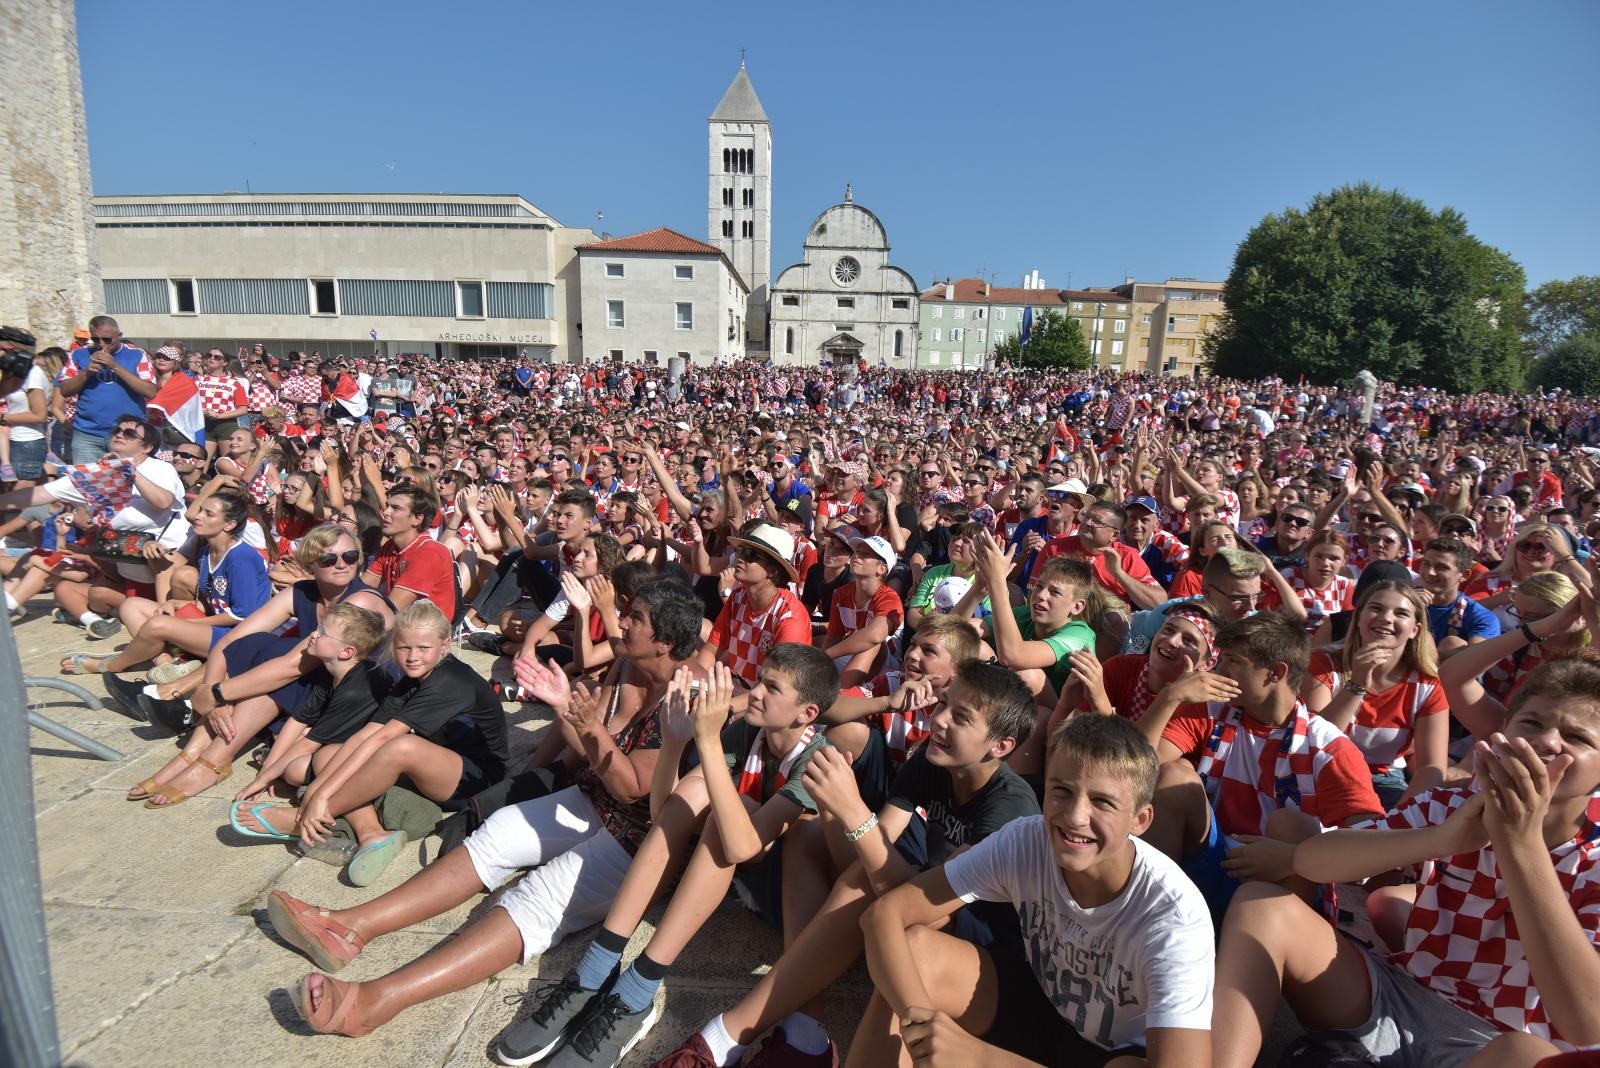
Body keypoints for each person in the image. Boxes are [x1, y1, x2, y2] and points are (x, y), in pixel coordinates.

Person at [264, 580, 705, 1036]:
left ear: (665, 642)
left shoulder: (689, 694)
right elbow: (595, 756)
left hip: (640, 840)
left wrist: (587, 723)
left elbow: (632, 787)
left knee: (536, 900)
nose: (623, 622)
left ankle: (376, 1001)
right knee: (497, 831)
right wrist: (563, 709)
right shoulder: (632, 667)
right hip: (593, 799)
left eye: (636, 619)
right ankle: (351, 927)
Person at [1211, 657, 1600, 1068]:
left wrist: (1521, 845)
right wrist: (1440, 838)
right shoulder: (1456, 805)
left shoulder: (1592, 860)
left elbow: (1586, 1023)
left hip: (1495, 1039)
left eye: (1577, 737)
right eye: (1533, 723)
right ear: (1505, 733)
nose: (1548, 742)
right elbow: (1312, 861)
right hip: (1401, 995)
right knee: (1263, 905)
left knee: (1526, 1055)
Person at [650, 659, 1041, 1067]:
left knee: (865, 875)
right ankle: (798, 1034)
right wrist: (839, 816)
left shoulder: (1008, 807)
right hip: (933, 906)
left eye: (959, 717)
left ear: (1001, 746)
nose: (938, 720)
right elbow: (878, 851)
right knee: (824, 843)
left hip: (989, 956)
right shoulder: (931, 761)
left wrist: (854, 813)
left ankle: (722, 1040)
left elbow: (916, 896)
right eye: (942, 705)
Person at [506, 646, 839, 1067]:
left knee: (730, 813)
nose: (754, 692)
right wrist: (675, 744)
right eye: (759, 680)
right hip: (729, 871)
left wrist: (708, 742)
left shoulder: (814, 758)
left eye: (771, 688)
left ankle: (637, 992)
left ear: (806, 713)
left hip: (781, 896)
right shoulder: (752, 732)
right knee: (705, 794)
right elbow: (666, 812)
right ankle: (597, 967)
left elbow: (743, 845)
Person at [848, 715, 1214, 1068]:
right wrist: (922, 1023)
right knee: (915, 950)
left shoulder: (1172, 918)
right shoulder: (1027, 840)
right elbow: (884, 916)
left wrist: (981, 1058)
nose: (1074, 816)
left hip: (1111, 1052)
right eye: (1061, 791)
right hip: (1042, 1007)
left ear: (1140, 819)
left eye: (1102, 802)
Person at [231, 601, 507, 885]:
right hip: (434, 766)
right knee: (330, 754)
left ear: (445, 646)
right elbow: (366, 735)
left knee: (400, 747)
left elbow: (386, 737)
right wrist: (315, 788)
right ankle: (372, 834)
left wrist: (321, 799)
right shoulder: (412, 680)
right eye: (404, 648)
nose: (412, 657)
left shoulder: (451, 680)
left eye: (423, 648)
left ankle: (304, 819)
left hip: (475, 778)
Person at [1137, 614, 1384, 922]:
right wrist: (1170, 697)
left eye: (1232, 662)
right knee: (1173, 775)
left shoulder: (1328, 747)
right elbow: (1136, 766)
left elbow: (1374, 846)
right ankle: (1156, 921)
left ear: (1275, 673)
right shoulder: (1210, 706)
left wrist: (1293, 860)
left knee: (1291, 825)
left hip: (1280, 885)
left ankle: (1275, 954)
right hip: (1214, 857)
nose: (1217, 671)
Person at [0, 413, 189, 639]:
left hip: (166, 569)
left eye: (129, 433)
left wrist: (129, 471)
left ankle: (166, 636)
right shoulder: (95, 474)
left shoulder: (159, 469)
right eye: (116, 431)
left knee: (154, 602)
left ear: (146, 446)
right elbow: (40, 494)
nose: (120, 435)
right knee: (86, 592)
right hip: (128, 570)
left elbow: (163, 502)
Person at [60, 489, 270, 679]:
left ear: (230, 524)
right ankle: (168, 664)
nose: (197, 516)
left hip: (239, 639)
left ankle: (112, 665)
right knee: (131, 605)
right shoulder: (208, 550)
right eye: (201, 510)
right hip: (219, 628)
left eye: (208, 514)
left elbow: (242, 615)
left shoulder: (241, 558)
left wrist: (187, 624)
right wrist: (179, 605)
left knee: (158, 624)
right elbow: (217, 601)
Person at [1303, 581, 1450, 808]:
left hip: (1384, 780)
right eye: (1376, 609)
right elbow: (1314, 742)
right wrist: (1357, 685)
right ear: (1359, 618)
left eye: (1400, 613)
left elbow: (1432, 769)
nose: (1386, 618)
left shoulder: (1427, 686)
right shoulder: (1324, 663)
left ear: (1415, 630)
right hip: (1322, 769)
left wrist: (1397, 821)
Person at [230, 602, 389, 806]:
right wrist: (268, 769)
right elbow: (299, 719)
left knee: (295, 770)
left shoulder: (356, 689)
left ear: (346, 652)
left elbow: (309, 743)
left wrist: (262, 780)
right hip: (337, 738)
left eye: (322, 632)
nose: (314, 634)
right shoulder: (332, 671)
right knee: (290, 742)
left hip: (367, 750)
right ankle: (274, 759)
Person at [974, 531, 1095, 702]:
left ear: (1077, 607)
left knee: (1027, 676)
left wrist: (997, 581)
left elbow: (1013, 656)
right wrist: (978, 589)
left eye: (1055, 592)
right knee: (972, 646)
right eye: (1039, 586)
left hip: (1060, 722)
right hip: (1019, 708)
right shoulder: (1025, 615)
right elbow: (958, 631)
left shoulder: (1080, 637)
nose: (1041, 595)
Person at [696, 522, 812, 686]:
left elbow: (775, 689)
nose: (740, 558)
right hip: (736, 692)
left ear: (773, 571)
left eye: (750, 555)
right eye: (741, 551)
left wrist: (725, 708)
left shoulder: (790, 617)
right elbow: (710, 652)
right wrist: (693, 687)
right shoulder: (737, 597)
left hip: (764, 704)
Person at [56, 316, 157, 464]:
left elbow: (150, 391)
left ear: (119, 336)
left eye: (107, 339)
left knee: (127, 482)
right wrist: (86, 373)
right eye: (96, 339)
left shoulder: (137, 355)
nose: (101, 344)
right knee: (87, 483)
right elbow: (64, 390)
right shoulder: (79, 354)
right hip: (87, 434)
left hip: (126, 435)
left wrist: (114, 366)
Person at [363, 484, 458, 618]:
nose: (385, 512)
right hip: (399, 625)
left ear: (417, 519)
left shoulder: (430, 552)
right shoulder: (391, 546)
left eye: (396, 508)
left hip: (424, 634)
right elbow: (362, 587)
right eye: (387, 505)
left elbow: (390, 609)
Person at [823, 534, 903, 687]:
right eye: (857, 551)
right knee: (815, 644)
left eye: (865, 554)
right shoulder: (841, 594)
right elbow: (833, 637)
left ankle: (839, 698)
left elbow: (875, 635)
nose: (856, 556)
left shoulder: (889, 598)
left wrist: (826, 655)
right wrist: (817, 661)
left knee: (872, 643)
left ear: (881, 568)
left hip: (887, 666)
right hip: (855, 658)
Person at [1416, 534, 1501, 658]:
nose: (1430, 572)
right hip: (1398, 674)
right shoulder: (1403, 602)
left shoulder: (1480, 616)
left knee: (1452, 643)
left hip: (1449, 675)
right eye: (1426, 564)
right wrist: (1411, 608)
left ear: (1464, 575)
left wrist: (1425, 656)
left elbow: (1476, 659)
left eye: (1441, 567)